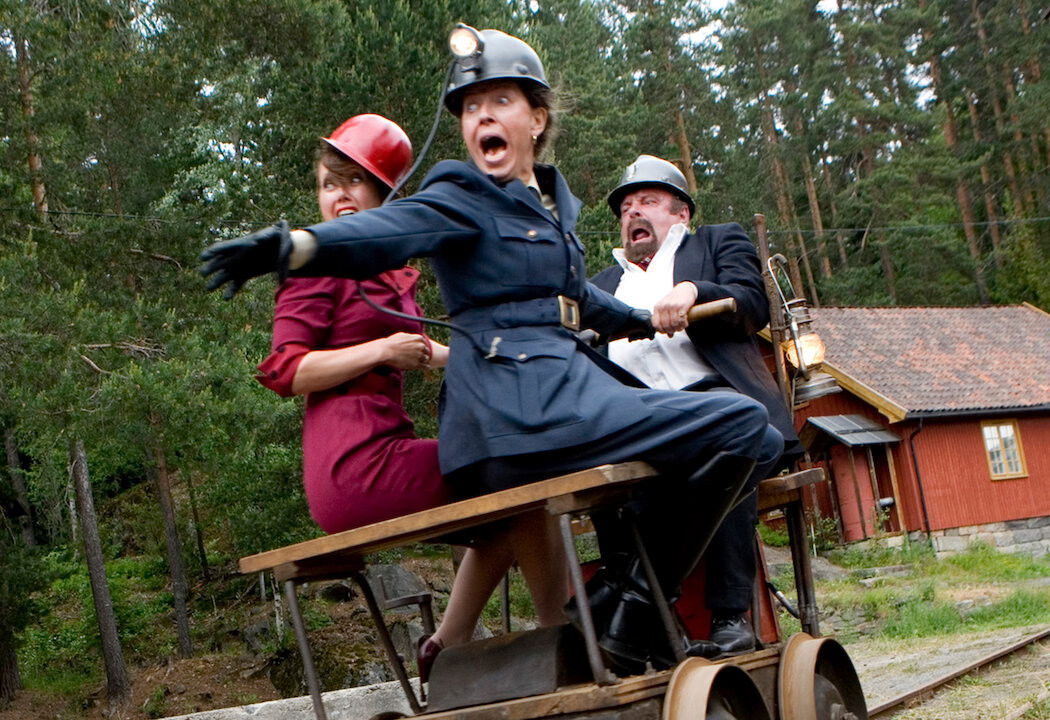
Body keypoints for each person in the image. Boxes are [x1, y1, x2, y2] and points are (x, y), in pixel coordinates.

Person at [200, 28, 784, 673]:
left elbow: (581, 304)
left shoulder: (550, 205)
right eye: (471, 107)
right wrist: (293, 247)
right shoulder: (459, 196)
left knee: (749, 434)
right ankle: (630, 612)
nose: (482, 115)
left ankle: (627, 613)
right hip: (517, 414)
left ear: (536, 119)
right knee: (737, 424)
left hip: (567, 391)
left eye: (499, 100)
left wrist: (646, 318)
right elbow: (383, 231)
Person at [253, 113, 567, 679]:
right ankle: (561, 635)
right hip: (352, 462)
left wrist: (515, 346)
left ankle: (447, 647)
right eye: (329, 183)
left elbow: (425, 349)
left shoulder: (389, 268)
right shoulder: (318, 265)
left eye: (353, 180)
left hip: (387, 443)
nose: (339, 195)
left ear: (385, 192)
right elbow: (287, 370)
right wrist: (379, 353)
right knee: (518, 474)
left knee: (509, 493)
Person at [591, 155, 802, 657]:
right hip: (642, 420)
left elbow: (749, 303)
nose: (632, 212)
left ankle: (728, 614)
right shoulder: (600, 286)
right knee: (605, 475)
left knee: (733, 441)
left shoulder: (715, 244)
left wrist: (691, 290)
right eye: (625, 206)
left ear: (681, 214)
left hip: (716, 399)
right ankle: (661, 632)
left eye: (646, 201)